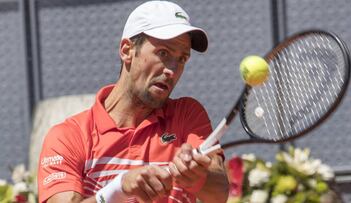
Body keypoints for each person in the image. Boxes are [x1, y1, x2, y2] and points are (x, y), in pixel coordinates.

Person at [37, 1, 229, 203]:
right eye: (163, 53)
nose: (171, 70)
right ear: (127, 50)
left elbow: (219, 193)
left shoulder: (187, 114)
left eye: (182, 59)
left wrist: (197, 177)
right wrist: (118, 189)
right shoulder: (67, 136)